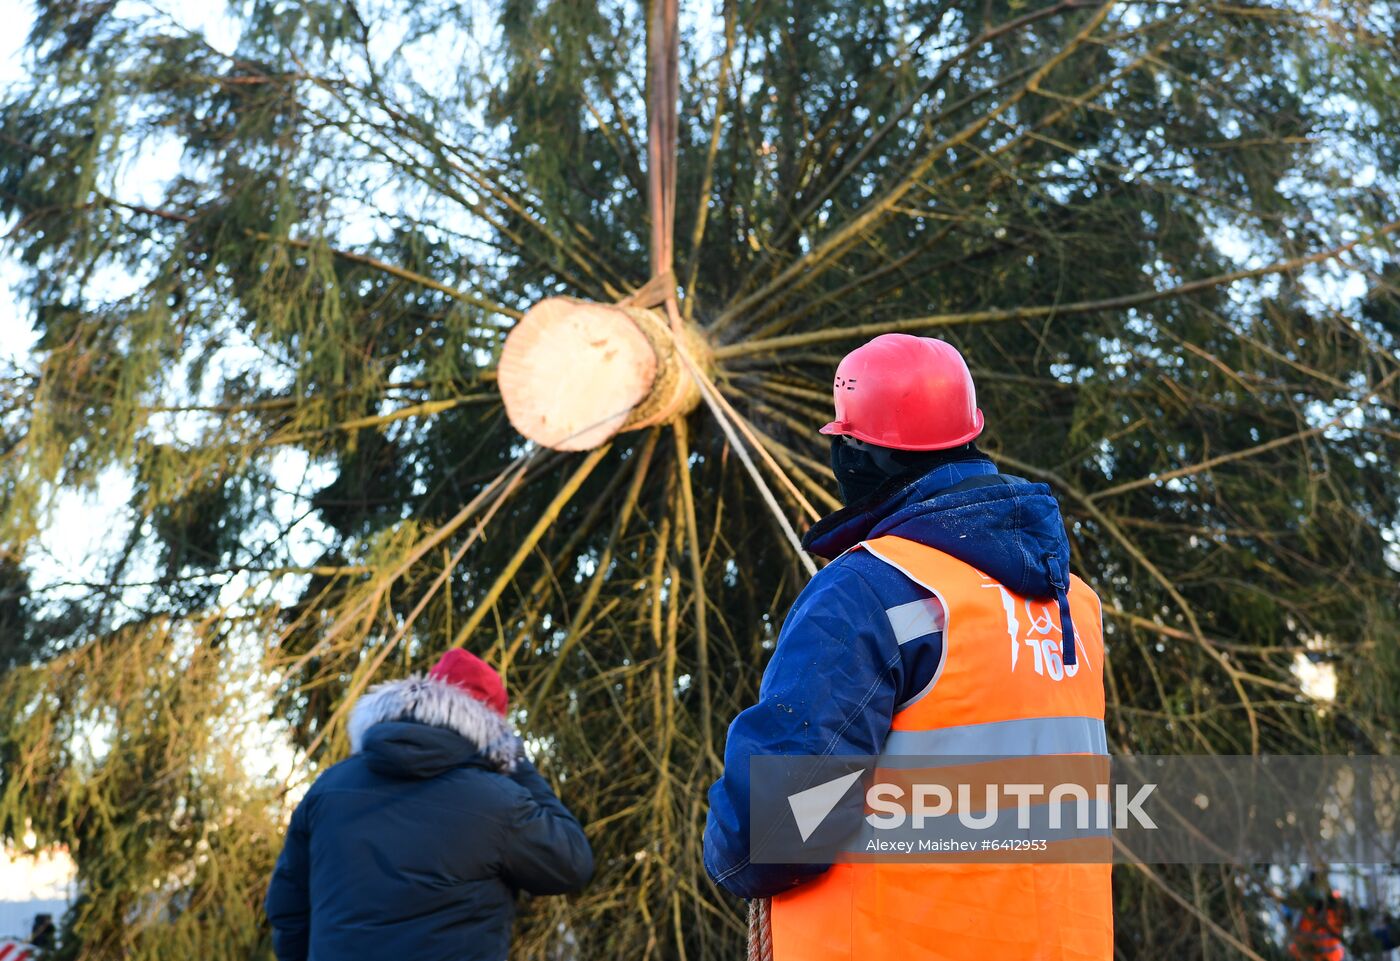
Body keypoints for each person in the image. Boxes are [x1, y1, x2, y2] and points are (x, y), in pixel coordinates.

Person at [704, 333, 1112, 960]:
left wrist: (730, 839)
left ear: (856, 454)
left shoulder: (868, 591)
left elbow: (777, 831)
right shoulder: (1072, 603)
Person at [265, 649, 594, 961]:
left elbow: (288, 908)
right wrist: (516, 761)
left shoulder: (329, 788)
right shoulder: (498, 804)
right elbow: (571, 863)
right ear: (491, 725)